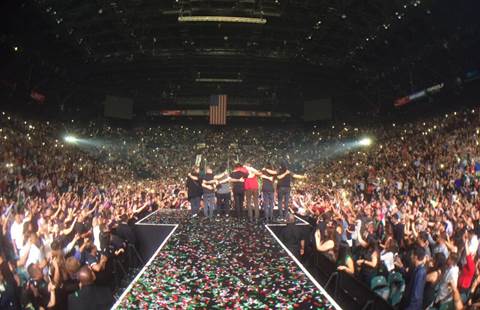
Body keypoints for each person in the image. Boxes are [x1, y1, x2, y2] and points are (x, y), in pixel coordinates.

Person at [401, 246, 427, 310]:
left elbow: (416, 294)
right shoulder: (416, 268)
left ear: (415, 257)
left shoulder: (420, 272)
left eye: (412, 255)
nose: (410, 256)